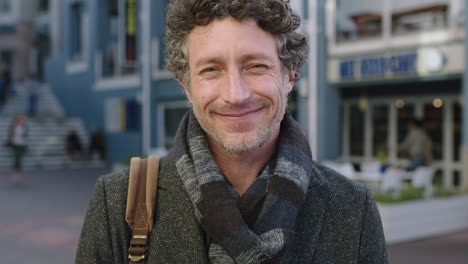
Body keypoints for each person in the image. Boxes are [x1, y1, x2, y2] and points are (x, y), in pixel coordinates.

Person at [76, 0, 388, 263]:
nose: (235, 94)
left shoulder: (352, 207)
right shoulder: (118, 202)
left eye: (255, 66)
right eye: (211, 70)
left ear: (289, 77)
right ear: (187, 86)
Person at [6, 114, 28, 185]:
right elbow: (11, 135)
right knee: (17, 160)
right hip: (15, 145)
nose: (23, 121)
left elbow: (25, 136)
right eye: (21, 119)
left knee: (18, 160)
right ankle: (16, 176)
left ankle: (17, 176)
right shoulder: (14, 127)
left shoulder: (24, 127)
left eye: (23, 120)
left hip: (21, 145)